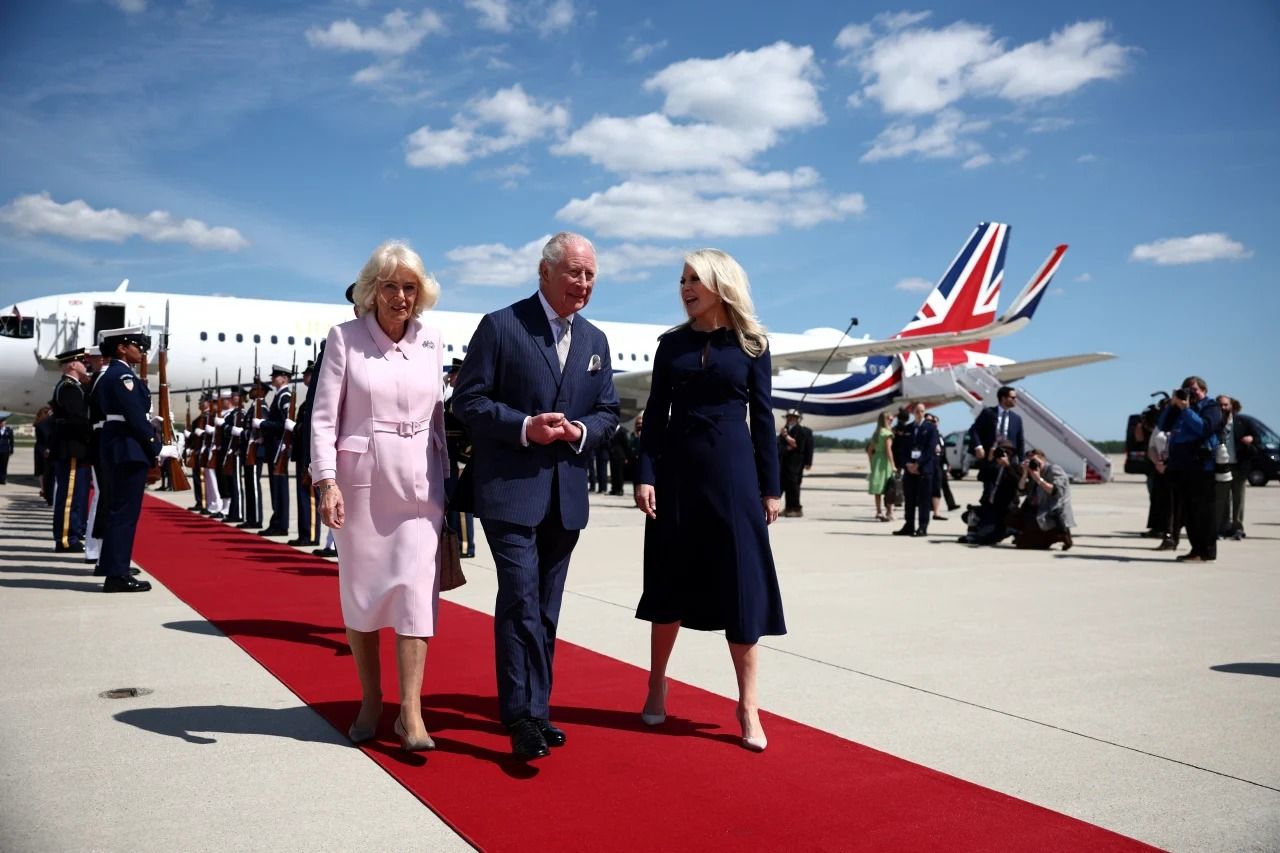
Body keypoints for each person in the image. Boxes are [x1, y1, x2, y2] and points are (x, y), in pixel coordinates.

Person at [453, 231, 620, 759]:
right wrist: (525, 426)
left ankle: (537, 709)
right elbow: (467, 401)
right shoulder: (501, 326)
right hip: (509, 492)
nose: (584, 283)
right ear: (545, 272)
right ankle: (521, 715)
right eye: (575, 272)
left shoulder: (595, 340)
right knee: (521, 597)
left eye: (591, 274)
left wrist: (581, 431)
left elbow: (609, 412)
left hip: (565, 496)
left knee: (546, 607)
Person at [634, 248, 784, 753]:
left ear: (720, 284)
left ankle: (747, 705)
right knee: (668, 582)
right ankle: (657, 683)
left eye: (694, 279)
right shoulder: (670, 346)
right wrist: (645, 475)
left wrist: (771, 488)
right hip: (677, 475)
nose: (685, 288)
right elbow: (656, 413)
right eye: (682, 280)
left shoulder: (752, 345)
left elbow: (763, 417)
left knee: (740, 586)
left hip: (734, 477)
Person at [311, 241, 449, 751]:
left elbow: (438, 417)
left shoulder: (432, 341)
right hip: (362, 486)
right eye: (390, 286)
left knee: (416, 594)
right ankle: (372, 698)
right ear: (372, 290)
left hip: (421, 488)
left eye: (410, 287)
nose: (400, 297)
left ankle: (410, 712)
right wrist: (327, 482)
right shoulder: (344, 339)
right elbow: (323, 418)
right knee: (363, 596)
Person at [93, 326, 177, 592]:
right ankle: (117, 575)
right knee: (124, 514)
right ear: (122, 348)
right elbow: (132, 416)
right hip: (127, 449)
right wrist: (157, 447)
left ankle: (112, 567)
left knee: (118, 511)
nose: (141, 351)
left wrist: (151, 423)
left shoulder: (113, 374)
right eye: (136, 345)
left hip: (119, 445)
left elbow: (129, 414)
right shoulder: (122, 376)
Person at [1157, 376, 1222, 563]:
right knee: (1189, 511)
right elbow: (1163, 426)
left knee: (1203, 511)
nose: (1191, 394)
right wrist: (1173, 405)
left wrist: (1186, 410)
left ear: (1204, 390)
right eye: (1187, 390)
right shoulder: (1181, 408)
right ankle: (1196, 550)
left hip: (1202, 465)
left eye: (1194, 390)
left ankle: (1206, 551)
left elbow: (1204, 428)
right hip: (1181, 465)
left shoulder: (1211, 407)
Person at [50, 349, 93, 552]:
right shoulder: (68, 388)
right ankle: (66, 539)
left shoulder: (74, 386)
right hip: (72, 447)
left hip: (74, 446)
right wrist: (93, 434)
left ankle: (72, 534)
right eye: (83, 362)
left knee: (75, 495)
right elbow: (77, 419)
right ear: (73, 365)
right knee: (69, 496)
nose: (86, 365)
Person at [443, 357, 476, 559]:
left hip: (460, 458)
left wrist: (465, 455)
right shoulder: (452, 399)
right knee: (454, 504)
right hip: (451, 457)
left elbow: (470, 432)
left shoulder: (462, 400)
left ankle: (465, 545)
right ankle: (458, 542)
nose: (451, 378)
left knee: (462, 506)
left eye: (454, 374)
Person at [968, 386, 1025, 502]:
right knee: (990, 489)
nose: (1015, 400)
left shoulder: (1016, 419)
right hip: (991, 458)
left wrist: (1022, 460)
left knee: (1009, 490)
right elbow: (974, 430)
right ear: (1003, 398)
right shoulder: (988, 413)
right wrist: (978, 446)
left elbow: (1020, 441)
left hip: (1009, 460)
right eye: (1012, 397)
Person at [1012, 449, 1075, 549]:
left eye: (1036, 461)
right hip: (1036, 513)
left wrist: (1039, 479)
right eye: (1031, 462)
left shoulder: (1054, 469)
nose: (1034, 465)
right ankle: (1034, 534)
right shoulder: (1033, 472)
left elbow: (1057, 491)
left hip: (1052, 515)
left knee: (1024, 545)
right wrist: (1025, 473)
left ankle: (1061, 535)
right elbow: (1021, 491)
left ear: (1043, 460)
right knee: (1011, 519)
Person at [257, 365, 293, 536]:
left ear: (285, 378)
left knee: (279, 487)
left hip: (279, 446)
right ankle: (277, 521)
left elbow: (285, 424)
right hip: (274, 446)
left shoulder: (284, 396)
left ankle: (281, 524)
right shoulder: (279, 396)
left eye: (276, 376)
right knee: (275, 486)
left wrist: (263, 424)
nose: (273, 379)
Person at [894, 402, 939, 538]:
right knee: (909, 499)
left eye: (922, 411)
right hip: (909, 469)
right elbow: (902, 448)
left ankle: (922, 527)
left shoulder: (931, 428)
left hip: (924, 469)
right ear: (913, 412)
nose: (920, 414)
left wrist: (918, 464)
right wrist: (907, 464)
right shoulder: (908, 429)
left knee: (924, 500)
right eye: (918, 411)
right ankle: (909, 525)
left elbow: (930, 449)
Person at [289, 364, 320, 548]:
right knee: (302, 496)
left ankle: (311, 535)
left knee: (310, 496)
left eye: (308, 374)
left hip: (310, 454)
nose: (305, 377)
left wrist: (296, 427)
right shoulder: (307, 400)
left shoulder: (316, 398)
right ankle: (304, 534)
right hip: (302, 452)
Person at [1225, 398, 1254, 539]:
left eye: (1226, 405)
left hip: (1239, 466)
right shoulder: (1216, 422)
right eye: (1220, 405)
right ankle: (1224, 527)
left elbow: (1257, 438)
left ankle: (1237, 528)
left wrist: (1251, 439)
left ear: (1232, 406)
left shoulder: (1243, 422)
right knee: (1222, 500)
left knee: (1238, 499)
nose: (1223, 408)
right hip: (1222, 466)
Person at [777, 408, 814, 518]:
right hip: (784, 463)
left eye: (793, 417)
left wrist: (808, 462)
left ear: (797, 419)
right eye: (788, 417)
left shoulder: (801, 431)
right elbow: (779, 444)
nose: (790, 419)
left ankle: (796, 509)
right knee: (785, 485)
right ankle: (788, 508)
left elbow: (798, 445)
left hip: (795, 464)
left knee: (794, 486)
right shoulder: (785, 430)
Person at [866, 410, 895, 522]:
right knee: (889, 487)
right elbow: (888, 450)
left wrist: (872, 462)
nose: (892, 421)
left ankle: (879, 511)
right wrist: (893, 464)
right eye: (890, 419)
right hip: (885, 461)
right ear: (886, 420)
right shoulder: (887, 433)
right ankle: (889, 511)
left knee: (878, 488)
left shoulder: (877, 433)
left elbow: (869, 450)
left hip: (877, 460)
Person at [0, 413, 13, 484]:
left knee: (4, 465)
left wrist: (11, 449)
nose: (2, 423)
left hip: (5, 450)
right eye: (1, 422)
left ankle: (3, 479)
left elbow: (11, 441)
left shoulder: (9, 430)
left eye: (3, 422)